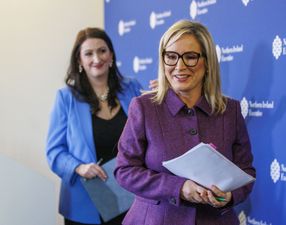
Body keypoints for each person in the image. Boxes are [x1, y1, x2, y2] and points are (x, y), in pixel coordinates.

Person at [114, 20, 256, 225]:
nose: (179, 66)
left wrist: (230, 196)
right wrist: (178, 187)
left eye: (190, 57)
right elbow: (124, 170)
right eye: (171, 57)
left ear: (207, 63)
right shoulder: (144, 107)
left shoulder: (230, 111)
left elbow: (246, 172)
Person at [46, 27, 144, 225]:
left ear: (111, 55)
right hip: (84, 203)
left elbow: (147, 133)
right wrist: (79, 167)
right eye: (88, 53)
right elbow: (54, 151)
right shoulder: (66, 98)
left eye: (102, 50)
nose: (96, 58)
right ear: (79, 60)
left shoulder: (131, 88)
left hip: (130, 197)